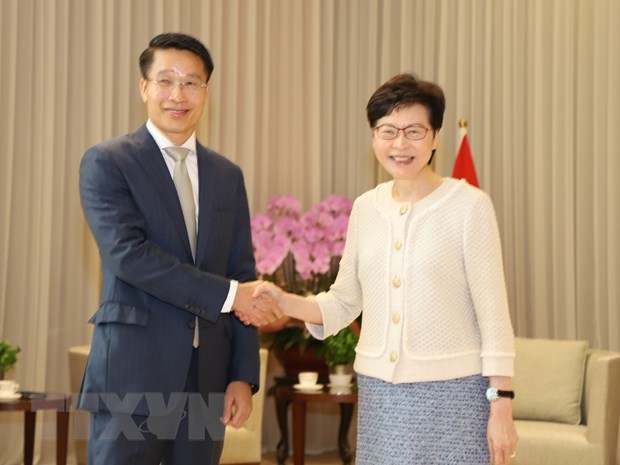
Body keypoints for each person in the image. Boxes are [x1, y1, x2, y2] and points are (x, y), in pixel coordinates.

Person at [250, 74, 519, 465]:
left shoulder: (469, 206)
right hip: (380, 394)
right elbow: (344, 302)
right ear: (374, 137)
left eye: (414, 131)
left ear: (435, 137)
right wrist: (284, 299)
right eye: (387, 131)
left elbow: (494, 316)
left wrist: (502, 405)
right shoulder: (366, 208)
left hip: (454, 396)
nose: (400, 144)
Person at [78, 32, 280, 465]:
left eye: (191, 83)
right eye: (166, 80)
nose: (178, 94)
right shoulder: (109, 162)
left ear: (206, 91)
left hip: (207, 378)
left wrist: (243, 375)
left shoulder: (227, 175)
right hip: (135, 374)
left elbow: (241, 271)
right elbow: (129, 256)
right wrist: (228, 295)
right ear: (144, 87)